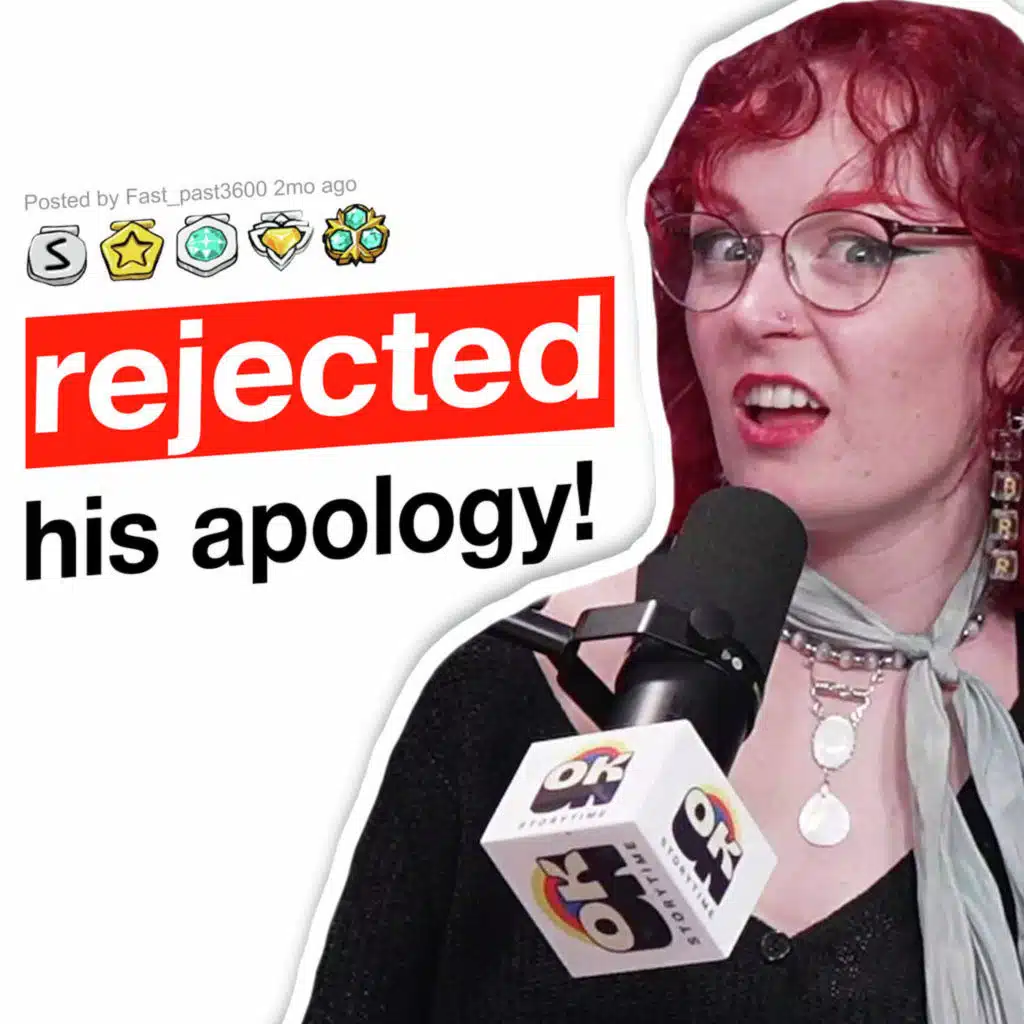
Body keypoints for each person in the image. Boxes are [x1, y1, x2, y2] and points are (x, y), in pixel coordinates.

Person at [298, 3, 1024, 1021]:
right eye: (724, 245)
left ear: (1011, 334)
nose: (752, 308)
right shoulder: (507, 694)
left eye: (856, 249)